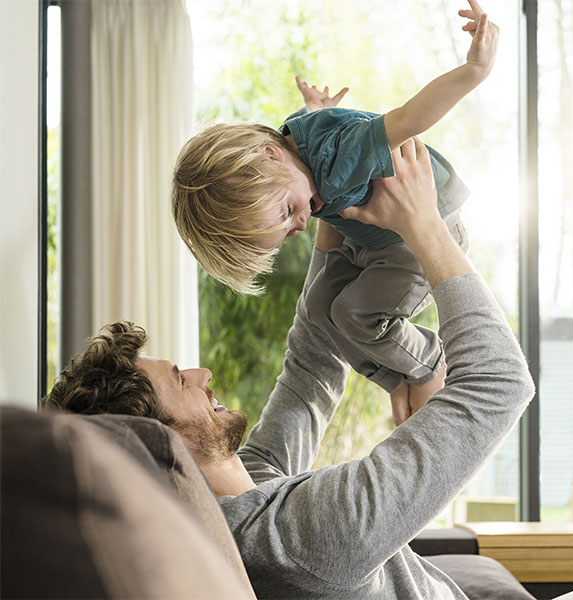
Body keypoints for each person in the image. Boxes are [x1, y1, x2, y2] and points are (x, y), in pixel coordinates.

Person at [45, 136, 535, 599]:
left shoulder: (247, 499)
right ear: (158, 439)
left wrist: (321, 192)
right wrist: (424, 224)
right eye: (179, 380)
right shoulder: (301, 542)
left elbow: (311, 361)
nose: (202, 375)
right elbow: (498, 383)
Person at [171, 0, 500, 425]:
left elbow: (409, 118)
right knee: (322, 307)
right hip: (373, 242)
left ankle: (429, 362)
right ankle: (398, 376)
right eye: (290, 231)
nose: (303, 222)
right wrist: (318, 108)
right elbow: (319, 124)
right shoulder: (292, 146)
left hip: (416, 241)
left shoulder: (336, 161)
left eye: (290, 211)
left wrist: (474, 70)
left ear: (271, 156)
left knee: (353, 314)